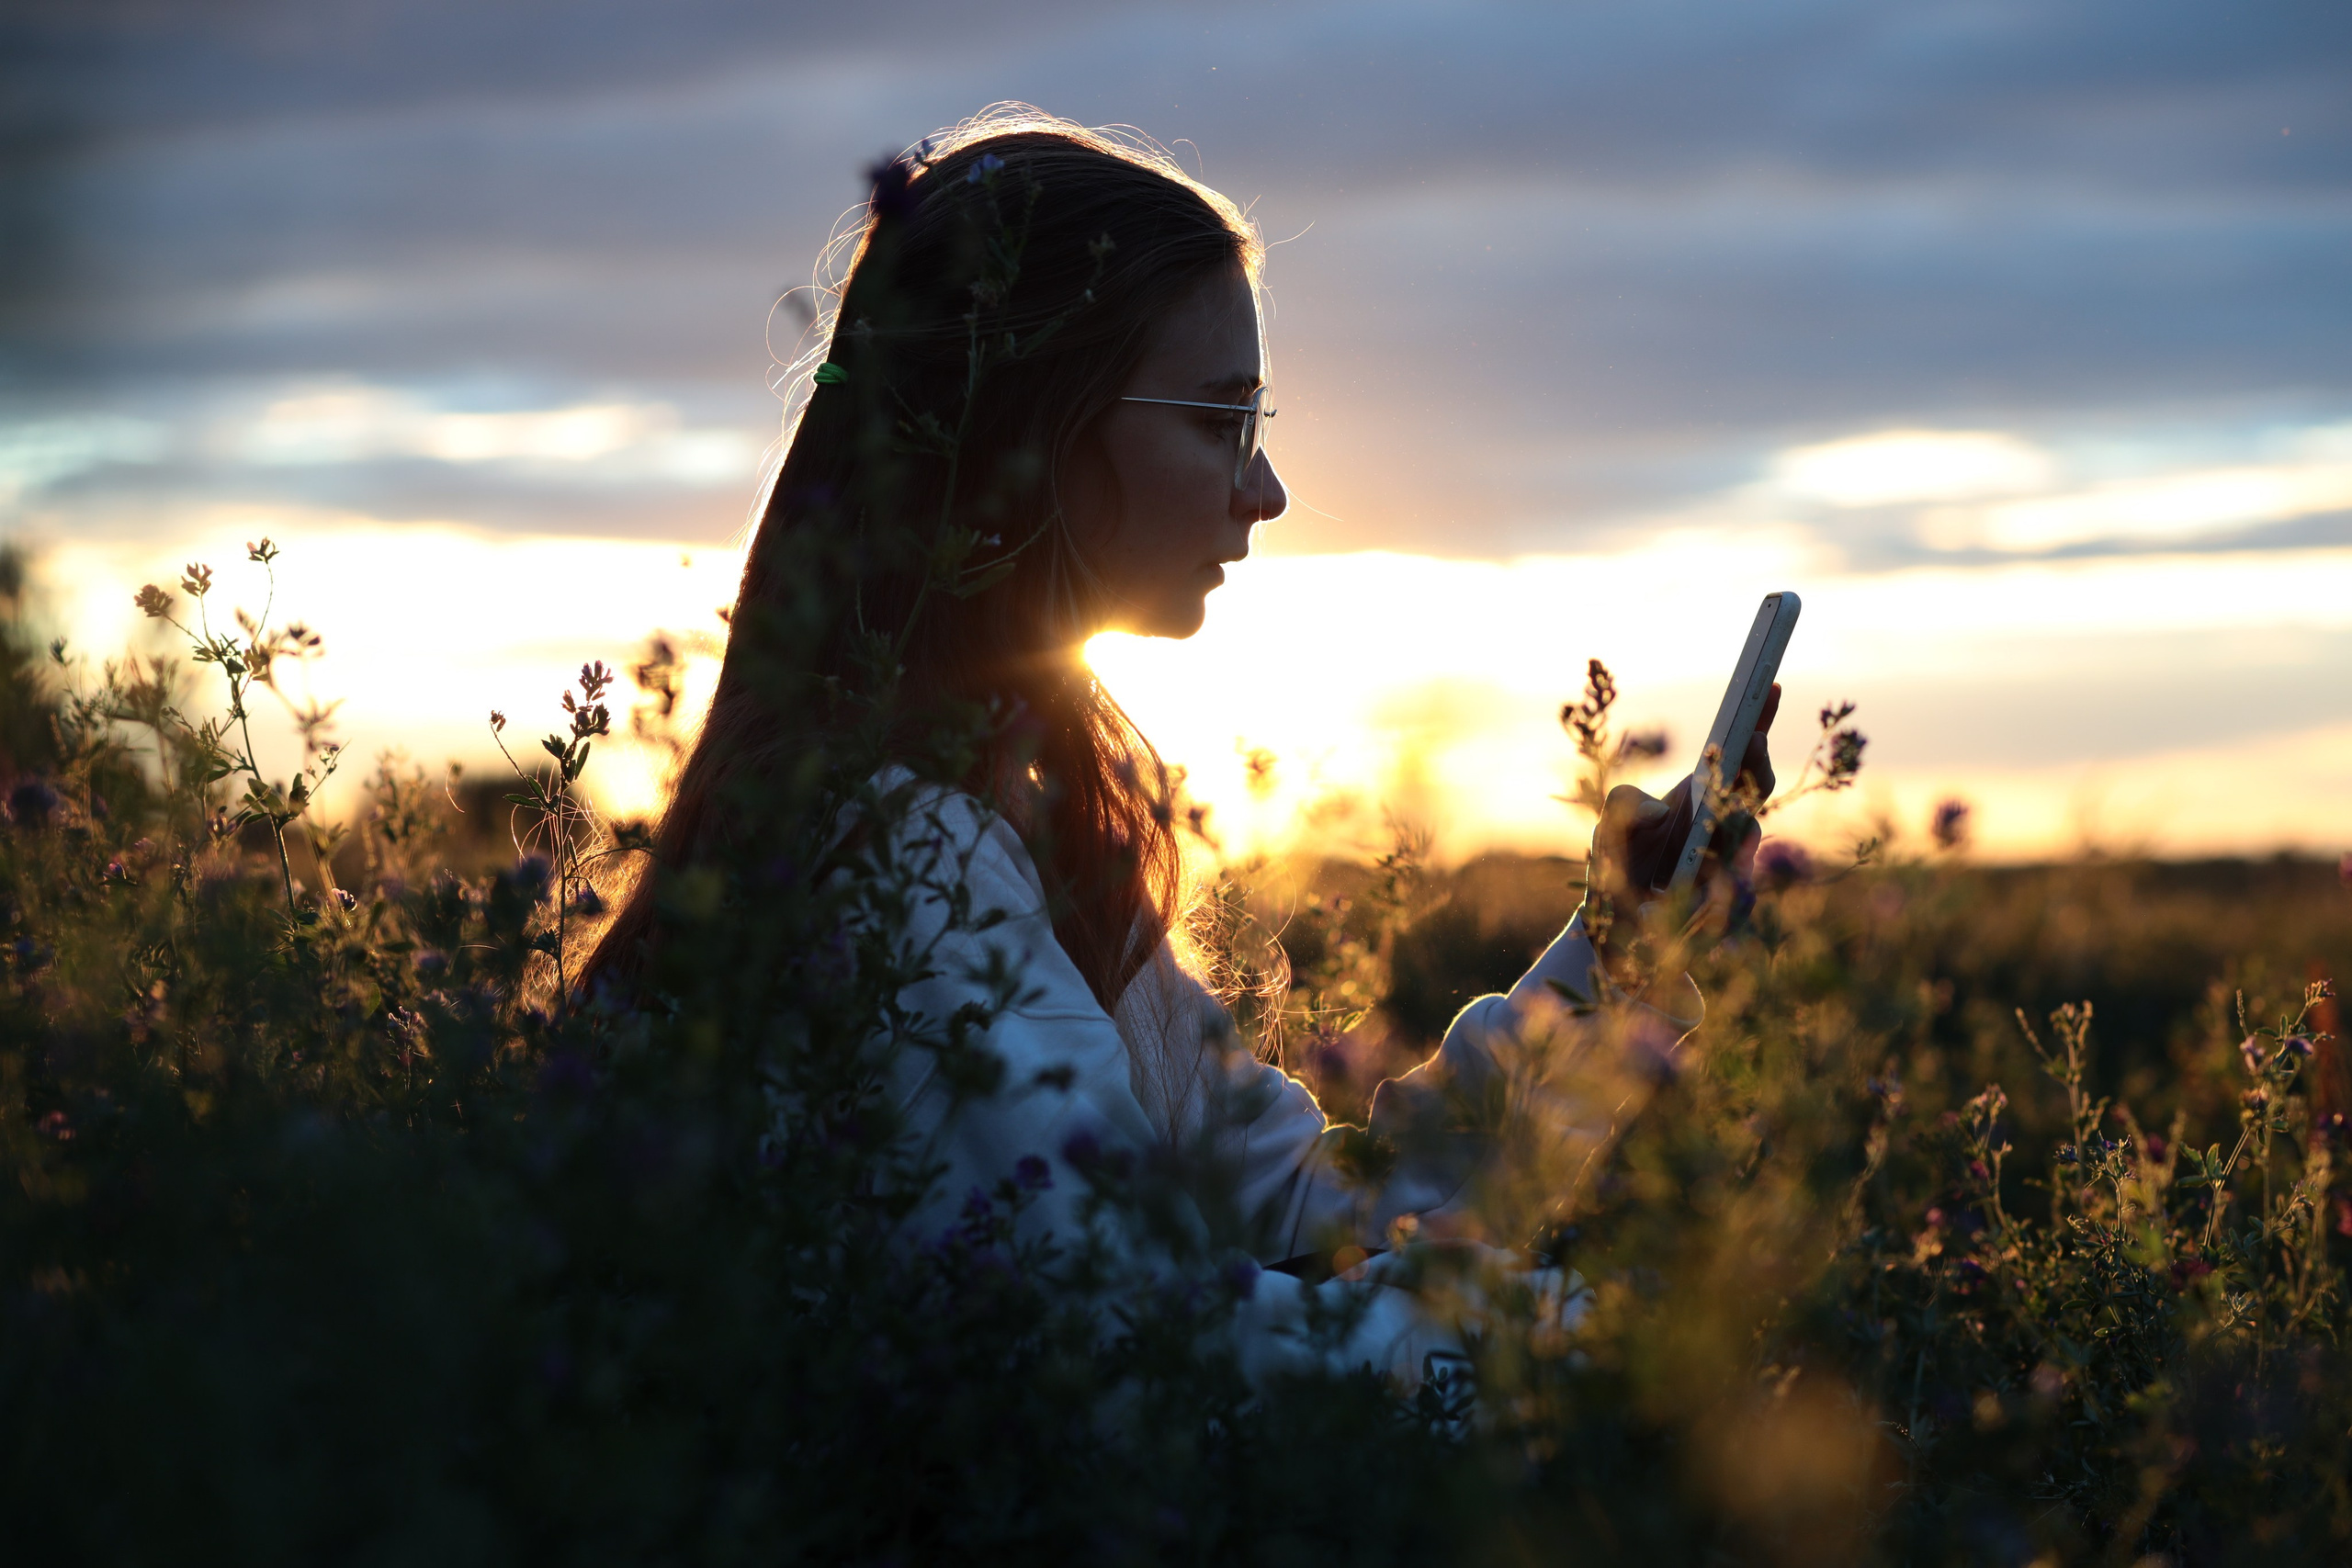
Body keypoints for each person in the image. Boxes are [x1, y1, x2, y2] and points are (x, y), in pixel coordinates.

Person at [586, 107, 1773, 1389]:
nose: (1265, 489)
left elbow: (1317, 1210)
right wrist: (1575, 1354)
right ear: (1037, 429)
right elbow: (1134, 1362)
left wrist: (1622, 951)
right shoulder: (907, 856)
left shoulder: (1013, 819)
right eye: (1219, 421)